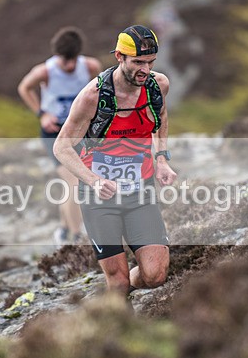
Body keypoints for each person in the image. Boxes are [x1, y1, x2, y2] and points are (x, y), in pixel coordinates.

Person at [53, 25, 177, 298]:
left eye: (150, 62)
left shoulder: (158, 86)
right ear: (119, 57)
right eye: (138, 62)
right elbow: (61, 146)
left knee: (155, 275)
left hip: (140, 191)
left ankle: (123, 292)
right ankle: (124, 329)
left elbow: (161, 119)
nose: (145, 69)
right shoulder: (93, 97)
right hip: (99, 198)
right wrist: (94, 181)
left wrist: (161, 159)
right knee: (117, 282)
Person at [18, 27, 102, 246]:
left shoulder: (91, 66)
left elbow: (99, 91)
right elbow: (24, 88)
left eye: (73, 59)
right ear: (58, 56)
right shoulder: (44, 71)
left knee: (74, 183)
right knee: (74, 181)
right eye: (66, 60)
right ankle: (77, 239)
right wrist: (41, 113)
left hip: (80, 132)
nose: (70, 65)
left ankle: (64, 228)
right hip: (55, 134)